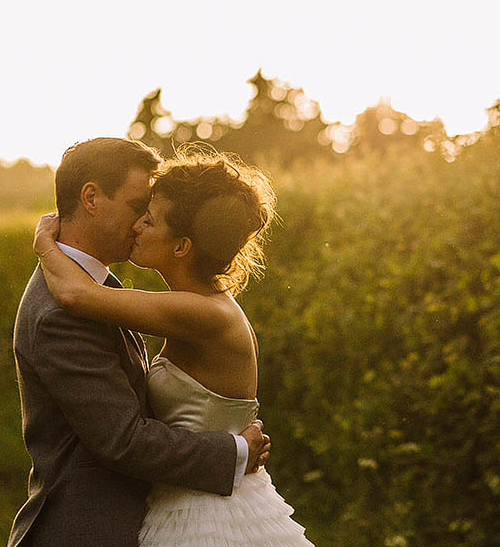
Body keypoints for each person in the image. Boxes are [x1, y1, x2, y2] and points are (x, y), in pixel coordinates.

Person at [32, 145, 314, 546]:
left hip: (209, 516)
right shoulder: (194, 306)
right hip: (188, 499)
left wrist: (44, 244)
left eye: (148, 219)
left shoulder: (203, 313)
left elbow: (78, 296)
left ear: (181, 246)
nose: (137, 227)